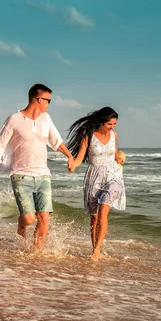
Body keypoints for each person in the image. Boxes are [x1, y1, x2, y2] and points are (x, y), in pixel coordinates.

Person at [0, 84, 75, 250]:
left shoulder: (46, 118)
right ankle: (21, 224)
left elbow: (56, 140)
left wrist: (69, 156)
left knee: (43, 217)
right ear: (39, 99)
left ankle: (34, 252)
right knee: (28, 218)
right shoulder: (14, 119)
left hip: (43, 176)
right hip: (21, 175)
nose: (49, 104)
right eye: (48, 100)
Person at [66, 107, 126, 260]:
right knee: (94, 217)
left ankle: (97, 249)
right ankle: (95, 249)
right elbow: (80, 157)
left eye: (114, 124)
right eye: (109, 124)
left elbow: (115, 153)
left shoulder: (114, 135)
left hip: (113, 176)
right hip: (94, 177)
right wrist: (73, 164)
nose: (112, 127)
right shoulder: (88, 137)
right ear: (101, 122)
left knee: (104, 212)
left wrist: (119, 158)